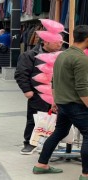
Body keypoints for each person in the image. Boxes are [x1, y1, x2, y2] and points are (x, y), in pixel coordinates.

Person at [32, 25, 88, 179]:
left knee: (60, 132)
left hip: (63, 102)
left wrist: (55, 100)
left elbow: (54, 81)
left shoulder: (62, 55)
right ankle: (85, 174)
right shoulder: (81, 58)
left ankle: (41, 164)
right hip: (75, 104)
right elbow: (82, 87)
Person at [14, 36, 63, 155]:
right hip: (37, 94)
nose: (60, 44)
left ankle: (51, 143)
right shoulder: (30, 55)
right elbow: (21, 74)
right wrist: (27, 91)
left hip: (58, 93)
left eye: (61, 41)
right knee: (34, 118)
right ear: (46, 41)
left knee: (57, 119)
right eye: (57, 41)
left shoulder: (62, 55)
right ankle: (30, 142)